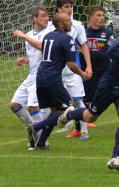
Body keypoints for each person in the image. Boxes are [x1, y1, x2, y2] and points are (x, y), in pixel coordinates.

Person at [58, 11, 119, 171]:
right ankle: (69, 114)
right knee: (90, 117)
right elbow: (113, 50)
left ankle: (115, 158)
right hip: (110, 85)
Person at [30, 13, 91, 149]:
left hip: (41, 77)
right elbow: (71, 64)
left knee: (55, 113)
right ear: (61, 25)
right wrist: (82, 74)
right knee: (67, 111)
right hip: (52, 79)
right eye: (68, 20)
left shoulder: (47, 36)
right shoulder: (67, 39)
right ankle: (35, 127)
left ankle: (40, 144)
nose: (71, 22)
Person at [80, 5, 119, 140]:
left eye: (103, 16)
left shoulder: (107, 33)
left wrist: (86, 52)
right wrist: (88, 54)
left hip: (106, 73)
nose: (102, 18)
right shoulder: (83, 33)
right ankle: (79, 129)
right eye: (99, 15)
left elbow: (106, 53)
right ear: (91, 18)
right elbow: (82, 54)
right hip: (88, 73)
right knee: (85, 101)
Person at [48, 0, 92, 140]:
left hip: (73, 70)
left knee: (78, 100)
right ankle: (45, 130)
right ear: (59, 9)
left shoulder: (77, 25)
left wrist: (89, 66)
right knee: (55, 102)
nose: (70, 9)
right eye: (66, 7)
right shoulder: (50, 27)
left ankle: (84, 131)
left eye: (71, 7)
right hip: (56, 71)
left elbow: (84, 45)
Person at [11, 7, 50, 149]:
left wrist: (24, 36)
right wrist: (25, 60)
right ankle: (33, 128)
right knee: (14, 105)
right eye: (43, 16)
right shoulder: (29, 34)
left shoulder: (48, 33)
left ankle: (42, 139)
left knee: (32, 106)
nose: (47, 19)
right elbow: (34, 55)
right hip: (31, 75)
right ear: (35, 18)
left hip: (41, 74)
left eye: (47, 16)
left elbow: (42, 47)